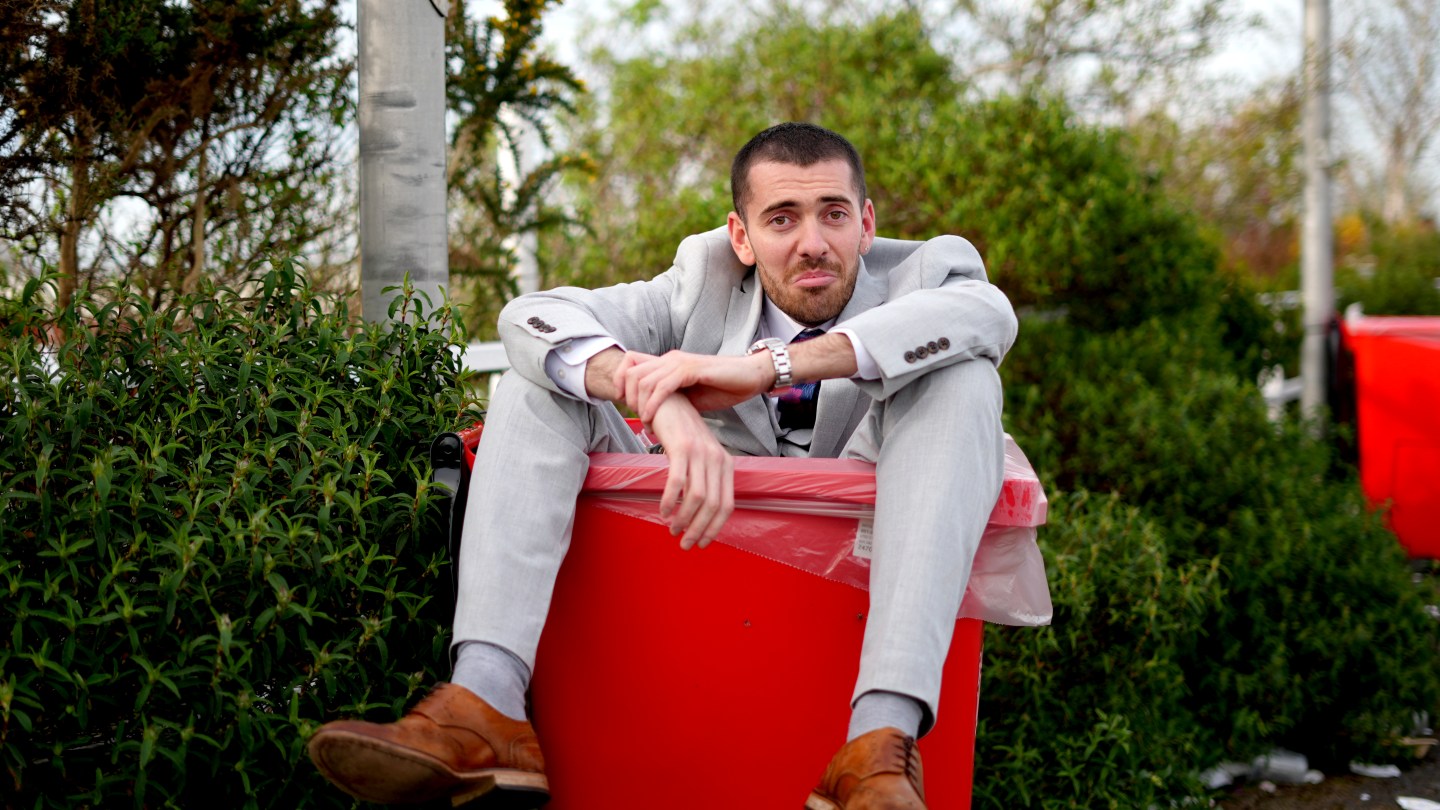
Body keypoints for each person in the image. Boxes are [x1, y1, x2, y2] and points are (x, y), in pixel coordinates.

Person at [307, 122, 1017, 810]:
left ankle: (877, 746)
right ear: (740, 237)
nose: (813, 243)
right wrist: (665, 404)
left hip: (866, 532)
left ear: (865, 223)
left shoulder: (929, 268)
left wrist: (762, 367)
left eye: (833, 214)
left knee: (965, 377)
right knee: (540, 381)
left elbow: (984, 317)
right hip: (698, 545)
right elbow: (532, 316)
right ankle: (484, 703)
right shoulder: (703, 277)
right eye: (781, 218)